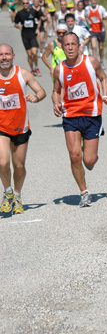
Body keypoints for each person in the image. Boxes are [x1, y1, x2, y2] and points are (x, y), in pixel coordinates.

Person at [52, 32, 107, 207]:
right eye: (66, 45)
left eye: (73, 44)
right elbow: (56, 91)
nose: (70, 48)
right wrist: (56, 103)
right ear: (62, 47)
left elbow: (103, 78)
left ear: (79, 46)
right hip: (70, 115)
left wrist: (106, 95)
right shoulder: (59, 69)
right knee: (74, 156)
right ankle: (84, 192)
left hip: (92, 114)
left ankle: (89, 146)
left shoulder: (90, 62)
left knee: (89, 161)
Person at [0, 43, 46, 214]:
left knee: (19, 166)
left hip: (20, 127)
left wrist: (36, 98)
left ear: (13, 56)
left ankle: (17, 195)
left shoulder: (23, 74)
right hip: (1, 127)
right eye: (0, 55)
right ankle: (7, 191)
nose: (3, 57)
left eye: (6, 54)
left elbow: (41, 91)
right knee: (2, 161)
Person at [14, 0, 42, 76]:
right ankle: (32, 69)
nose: (25, 5)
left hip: (33, 34)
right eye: (24, 3)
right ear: (22, 4)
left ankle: (36, 67)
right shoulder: (20, 13)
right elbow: (15, 23)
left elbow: (39, 19)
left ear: (29, 4)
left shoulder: (33, 11)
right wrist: (19, 26)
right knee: (29, 54)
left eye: (26, 3)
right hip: (25, 35)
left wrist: (37, 29)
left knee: (34, 52)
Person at [85, 0, 107, 64]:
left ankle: (101, 60)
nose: (93, 2)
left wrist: (103, 17)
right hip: (92, 30)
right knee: (94, 46)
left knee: (101, 48)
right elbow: (86, 16)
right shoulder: (87, 9)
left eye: (94, 1)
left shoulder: (100, 8)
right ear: (90, 2)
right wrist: (88, 21)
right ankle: (96, 62)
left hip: (101, 30)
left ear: (96, 1)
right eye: (92, 1)